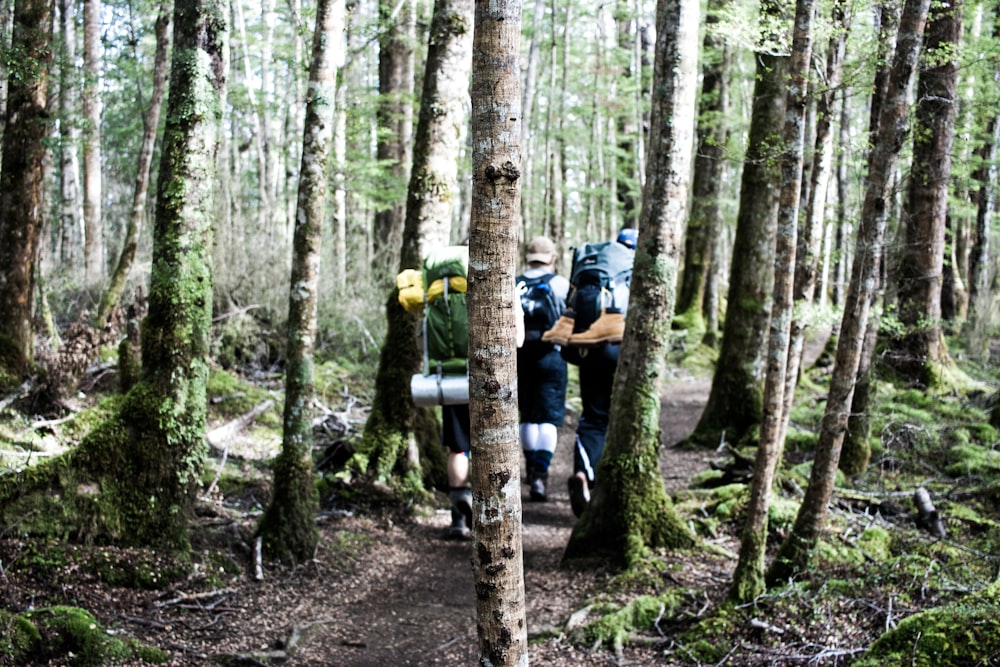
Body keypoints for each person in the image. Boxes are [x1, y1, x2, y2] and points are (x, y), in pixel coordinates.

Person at [542, 228, 637, 517]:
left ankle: (583, 474)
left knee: (594, 415)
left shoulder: (593, 265)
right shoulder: (632, 270)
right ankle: (613, 489)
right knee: (624, 416)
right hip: (618, 347)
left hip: (587, 346)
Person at [516, 236, 570, 502]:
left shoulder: (515, 283)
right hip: (552, 355)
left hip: (520, 356)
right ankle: (540, 475)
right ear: (552, 257)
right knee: (548, 417)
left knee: (527, 414)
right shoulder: (560, 284)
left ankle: (530, 467)